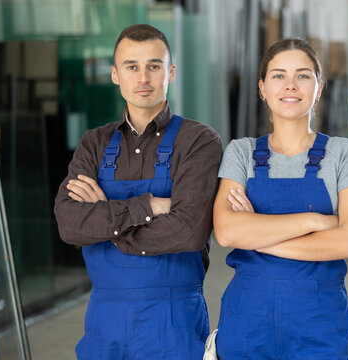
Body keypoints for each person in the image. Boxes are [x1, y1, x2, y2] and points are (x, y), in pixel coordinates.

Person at [54, 24, 222, 359]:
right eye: (131, 67)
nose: (142, 78)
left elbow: (188, 232)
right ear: (115, 74)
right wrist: (148, 206)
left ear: (170, 72)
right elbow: (70, 224)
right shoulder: (94, 144)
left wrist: (107, 219)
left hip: (175, 323)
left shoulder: (198, 141)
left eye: (154, 66)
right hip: (104, 322)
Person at [212, 39, 348, 359]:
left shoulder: (344, 154)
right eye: (278, 75)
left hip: (318, 325)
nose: (290, 85)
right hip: (247, 321)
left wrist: (257, 235)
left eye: (303, 75)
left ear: (318, 88)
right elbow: (226, 232)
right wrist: (315, 221)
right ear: (262, 88)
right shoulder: (241, 152)